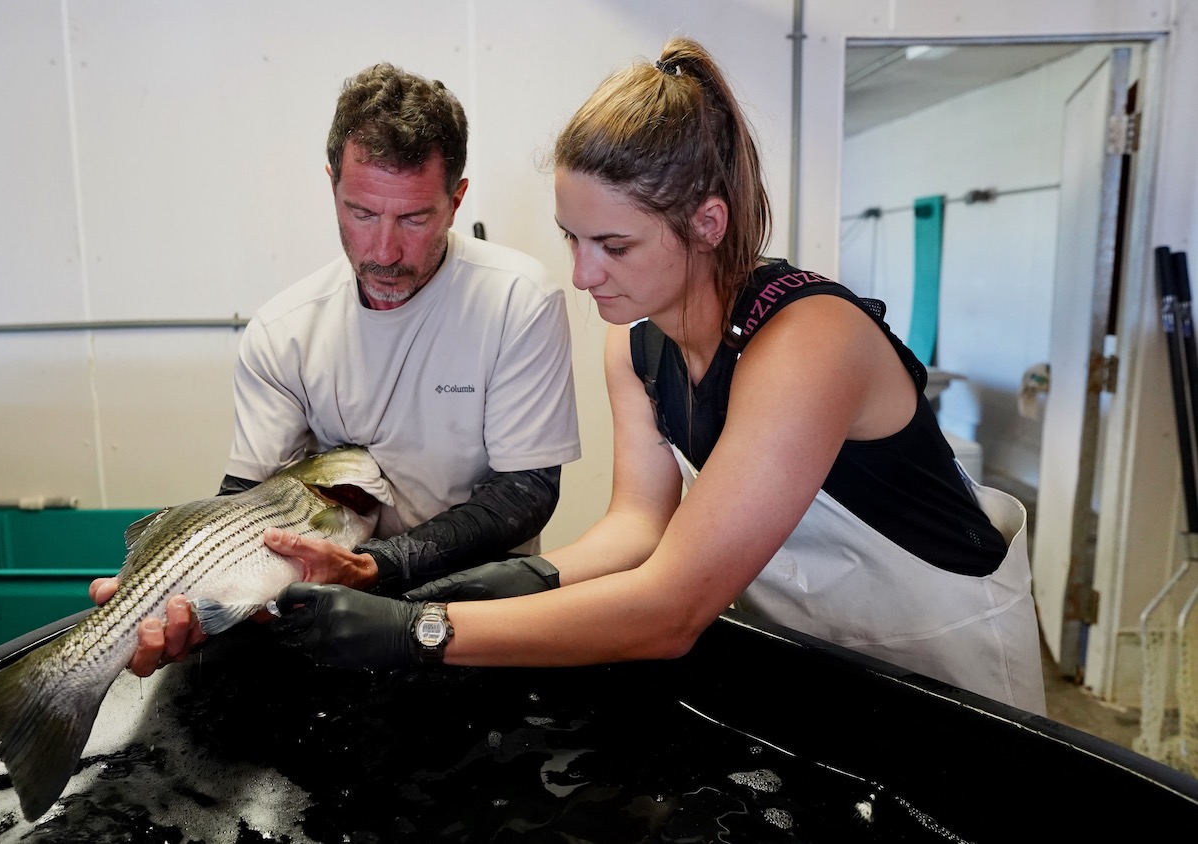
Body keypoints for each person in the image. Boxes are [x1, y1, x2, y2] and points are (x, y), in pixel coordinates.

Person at [268, 36, 1048, 716]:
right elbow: (642, 528)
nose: (581, 274)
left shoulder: (809, 339)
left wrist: (420, 631)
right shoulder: (636, 346)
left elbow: (671, 607)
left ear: (707, 223)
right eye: (571, 237)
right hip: (820, 652)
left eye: (614, 245)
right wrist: (529, 577)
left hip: (946, 658)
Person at [90, 62, 582, 677]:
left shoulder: (517, 300)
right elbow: (244, 504)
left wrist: (377, 565)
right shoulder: (285, 331)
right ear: (332, 187)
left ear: (455, 200)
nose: (384, 251)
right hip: (331, 636)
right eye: (361, 213)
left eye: (414, 218)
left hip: (479, 627)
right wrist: (179, 592)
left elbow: (526, 492)